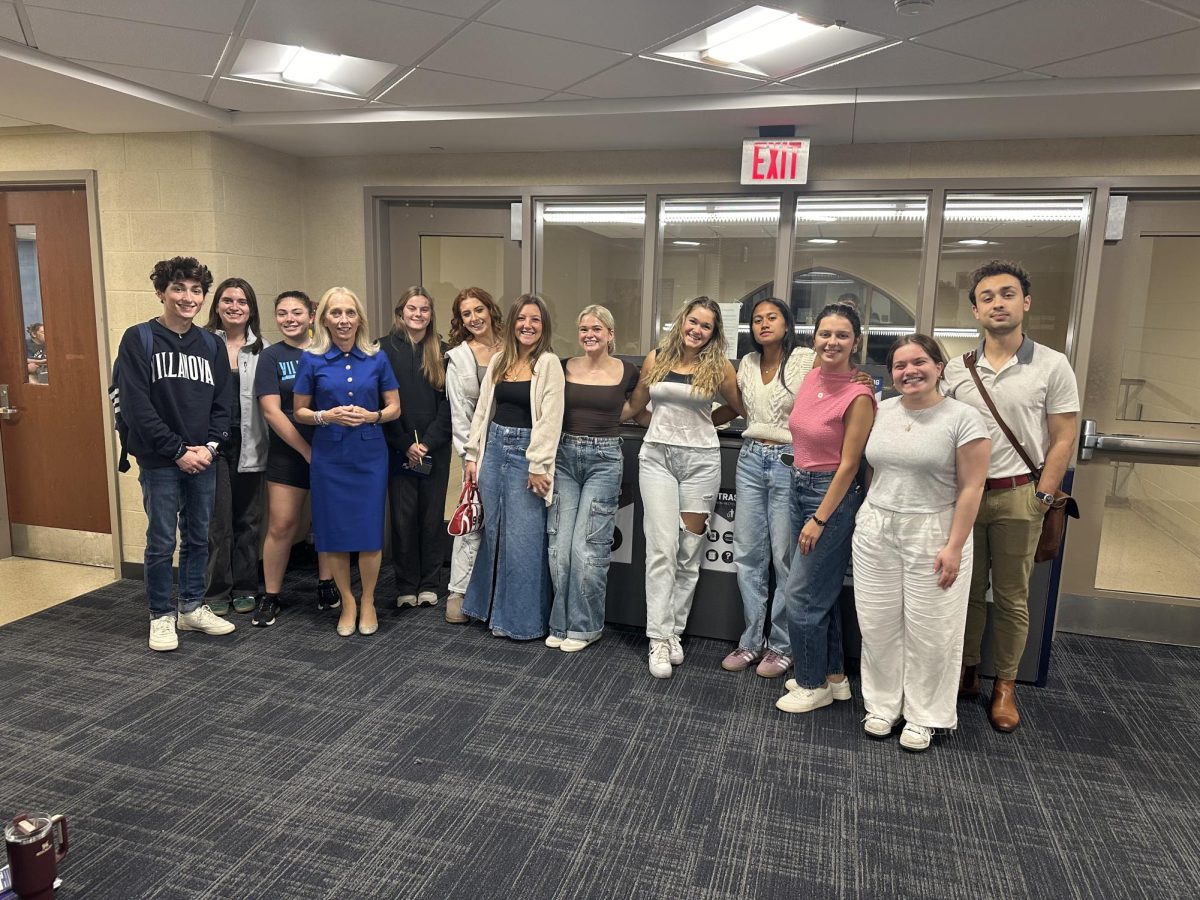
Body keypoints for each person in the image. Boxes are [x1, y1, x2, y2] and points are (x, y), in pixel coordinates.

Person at [943, 260, 1079, 732]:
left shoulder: (1052, 364)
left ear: (1025, 302)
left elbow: (1064, 437)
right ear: (975, 309)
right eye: (986, 297)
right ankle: (967, 671)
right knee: (966, 592)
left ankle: (1005, 685)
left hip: (1021, 497)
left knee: (1012, 597)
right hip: (967, 498)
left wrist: (1042, 498)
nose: (997, 303)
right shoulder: (958, 370)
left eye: (1006, 294)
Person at [852, 334, 991, 752]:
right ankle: (881, 705)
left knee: (932, 631)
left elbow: (972, 488)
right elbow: (874, 469)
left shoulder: (964, 418)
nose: (909, 371)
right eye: (899, 365)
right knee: (877, 625)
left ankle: (925, 716)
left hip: (934, 531)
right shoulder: (883, 409)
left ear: (938, 367)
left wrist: (954, 546)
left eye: (919, 362)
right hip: (877, 527)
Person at [117, 256, 234, 651]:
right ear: (161, 293)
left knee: (200, 537)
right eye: (179, 289)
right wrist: (177, 450)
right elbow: (136, 406)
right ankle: (161, 615)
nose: (188, 297)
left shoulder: (212, 344)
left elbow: (223, 404)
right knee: (161, 540)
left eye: (196, 290)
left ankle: (191, 607)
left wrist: (210, 447)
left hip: (203, 458)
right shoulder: (139, 338)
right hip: (160, 461)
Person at [626, 296, 743, 679]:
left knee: (689, 552)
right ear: (681, 322)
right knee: (661, 549)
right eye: (693, 321)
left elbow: (738, 408)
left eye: (706, 326)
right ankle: (658, 638)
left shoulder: (720, 367)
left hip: (702, 464)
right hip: (658, 460)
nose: (697, 330)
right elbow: (637, 406)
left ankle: (674, 631)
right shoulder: (656, 358)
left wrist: (708, 423)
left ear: (714, 333)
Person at [775, 302, 876, 714]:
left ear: (856, 342)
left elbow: (851, 465)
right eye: (825, 334)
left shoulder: (860, 393)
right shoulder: (811, 375)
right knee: (822, 594)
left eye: (842, 335)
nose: (832, 341)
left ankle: (811, 683)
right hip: (798, 484)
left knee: (800, 595)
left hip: (829, 496)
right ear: (814, 337)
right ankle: (834, 676)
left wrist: (820, 518)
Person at [293, 287, 401, 637]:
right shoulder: (311, 359)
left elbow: (394, 407)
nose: (343, 320)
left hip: (370, 455)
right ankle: (348, 601)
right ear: (324, 318)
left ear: (360, 319)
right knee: (334, 534)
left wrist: (373, 416)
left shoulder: (376, 357)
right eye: (336, 313)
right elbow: (300, 411)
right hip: (330, 456)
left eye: (350, 313)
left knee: (369, 534)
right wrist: (326, 415)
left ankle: (368, 599)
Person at [716, 298, 814, 679]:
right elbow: (738, 409)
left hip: (790, 460)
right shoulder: (748, 364)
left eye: (772, 317)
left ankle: (781, 645)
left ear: (787, 324)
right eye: (757, 320)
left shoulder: (804, 359)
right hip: (751, 458)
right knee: (747, 553)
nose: (763, 324)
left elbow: (831, 386)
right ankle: (751, 640)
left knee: (784, 557)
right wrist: (701, 422)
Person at [462, 294, 564, 640]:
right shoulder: (499, 361)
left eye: (535, 320)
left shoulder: (548, 363)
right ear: (512, 323)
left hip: (527, 454)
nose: (527, 325)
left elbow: (551, 420)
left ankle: (522, 622)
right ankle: (489, 612)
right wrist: (473, 456)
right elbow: (482, 412)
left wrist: (539, 464)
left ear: (543, 326)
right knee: (494, 533)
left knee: (524, 539)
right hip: (493, 448)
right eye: (522, 319)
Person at [546, 305, 639, 653]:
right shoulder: (563, 366)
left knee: (588, 547)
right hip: (564, 457)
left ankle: (585, 627)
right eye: (584, 328)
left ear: (610, 334)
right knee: (559, 548)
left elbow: (636, 409)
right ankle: (560, 622)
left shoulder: (628, 372)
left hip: (605, 459)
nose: (590, 334)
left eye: (597, 328)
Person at [254, 291, 336, 627]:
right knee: (282, 525)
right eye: (283, 313)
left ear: (311, 315)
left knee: (328, 522)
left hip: (331, 450)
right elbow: (271, 411)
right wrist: (306, 451)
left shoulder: (328, 352)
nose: (290, 319)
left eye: (297, 312)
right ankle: (271, 595)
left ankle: (327, 584)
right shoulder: (271, 357)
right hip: (288, 454)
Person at [379, 287, 452, 612]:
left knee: (431, 517)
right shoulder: (381, 350)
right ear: (400, 312)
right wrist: (406, 444)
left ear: (430, 314)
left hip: (435, 446)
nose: (418, 314)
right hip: (397, 446)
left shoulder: (445, 352)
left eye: (425, 309)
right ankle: (406, 585)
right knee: (403, 518)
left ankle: (429, 584)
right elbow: (379, 402)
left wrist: (427, 443)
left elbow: (451, 406)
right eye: (412, 308)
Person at [202, 277, 269, 617]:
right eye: (227, 300)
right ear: (217, 305)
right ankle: (216, 589)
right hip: (211, 445)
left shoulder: (263, 350)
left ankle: (245, 588)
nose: (234, 307)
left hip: (250, 442)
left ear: (251, 309)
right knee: (217, 522)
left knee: (248, 519)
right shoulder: (199, 344)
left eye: (242, 302)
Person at [444, 287, 504, 624]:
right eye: (466, 314)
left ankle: (499, 594)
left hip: (516, 447)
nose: (474, 318)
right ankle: (459, 591)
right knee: (473, 518)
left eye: (478, 310)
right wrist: (470, 457)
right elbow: (460, 415)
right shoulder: (459, 358)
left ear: (490, 309)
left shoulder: (514, 347)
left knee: (510, 523)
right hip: (478, 452)